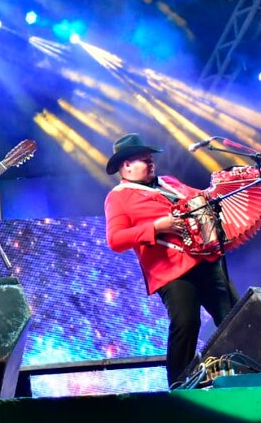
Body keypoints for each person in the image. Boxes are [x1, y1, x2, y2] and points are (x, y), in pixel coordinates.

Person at [103, 133, 238, 387]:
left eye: (150, 158)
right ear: (126, 166)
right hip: (170, 270)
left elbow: (202, 199)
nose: (150, 162)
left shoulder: (170, 183)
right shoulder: (118, 197)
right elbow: (116, 239)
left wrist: (223, 186)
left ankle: (249, 370)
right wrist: (156, 226)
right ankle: (179, 387)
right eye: (143, 159)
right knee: (186, 323)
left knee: (234, 315)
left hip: (205, 260)